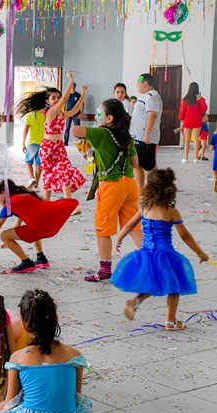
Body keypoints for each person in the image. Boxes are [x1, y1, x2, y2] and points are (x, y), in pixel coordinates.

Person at [0, 289, 93, 413]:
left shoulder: (18, 359)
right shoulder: (74, 356)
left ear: (24, 325)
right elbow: (76, 399)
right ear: (56, 318)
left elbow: (10, 403)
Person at [111, 168, 208, 330]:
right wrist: (199, 252)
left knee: (155, 282)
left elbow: (129, 225)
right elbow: (185, 235)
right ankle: (170, 321)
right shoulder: (171, 212)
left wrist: (119, 238)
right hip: (165, 255)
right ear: (169, 189)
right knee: (174, 286)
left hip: (146, 254)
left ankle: (136, 301)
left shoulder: (145, 209)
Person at [72, 99, 142, 282]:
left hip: (111, 186)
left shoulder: (101, 133)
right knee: (133, 226)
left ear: (109, 118)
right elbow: (135, 163)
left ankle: (104, 270)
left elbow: (75, 131)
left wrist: (96, 128)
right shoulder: (126, 137)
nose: (97, 116)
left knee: (103, 229)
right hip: (129, 184)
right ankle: (150, 262)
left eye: (99, 113)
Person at [0, 180, 78, 274]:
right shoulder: (25, 195)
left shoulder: (9, 205)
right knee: (32, 225)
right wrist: (10, 239)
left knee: (4, 235)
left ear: (3, 193)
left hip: (41, 228)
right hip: (50, 226)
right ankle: (41, 258)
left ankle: (26, 262)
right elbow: (21, 219)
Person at [15, 72, 86, 201]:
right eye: (53, 98)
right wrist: (70, 81)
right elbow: (64, 100)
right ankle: (46, 201)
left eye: (58, 97)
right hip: (48, 147)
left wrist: (83, 94)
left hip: (59, 146)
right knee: (48, 174)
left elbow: (75, 110)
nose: (57, 99)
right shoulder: (50, 113)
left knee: (66, 170)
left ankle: (68, 201)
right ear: (47, 101)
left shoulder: (61, 114)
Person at [130, 73, 162, 192]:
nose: (137, 85)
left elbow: (152, 115)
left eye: (138, 83)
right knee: (137, 164)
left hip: (145, 139)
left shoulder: (152, 96)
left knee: (149, 167)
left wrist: (147, 135)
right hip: (137, 137)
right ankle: (141, 192)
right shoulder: (144, 97)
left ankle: (155, 192)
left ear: (145, 83)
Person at [178, 82, 208, 163]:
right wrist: (201, 99)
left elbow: (182, 111)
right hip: (197, 121)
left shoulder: (185, 99)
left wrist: (182, 120)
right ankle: (195, 158)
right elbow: (204, 109)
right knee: (196, 139)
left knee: (187, 140)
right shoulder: (200, 99)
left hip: (187, 121)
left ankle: (186, 157)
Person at [21, 108, 45, 189]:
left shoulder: (28, 116)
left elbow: (26, 130)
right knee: (38, 164)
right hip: (43, 143)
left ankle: (32, 178)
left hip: (32, 143)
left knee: (28, 162)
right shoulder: (44, 115)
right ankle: (36, 184)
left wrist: (23, 143)